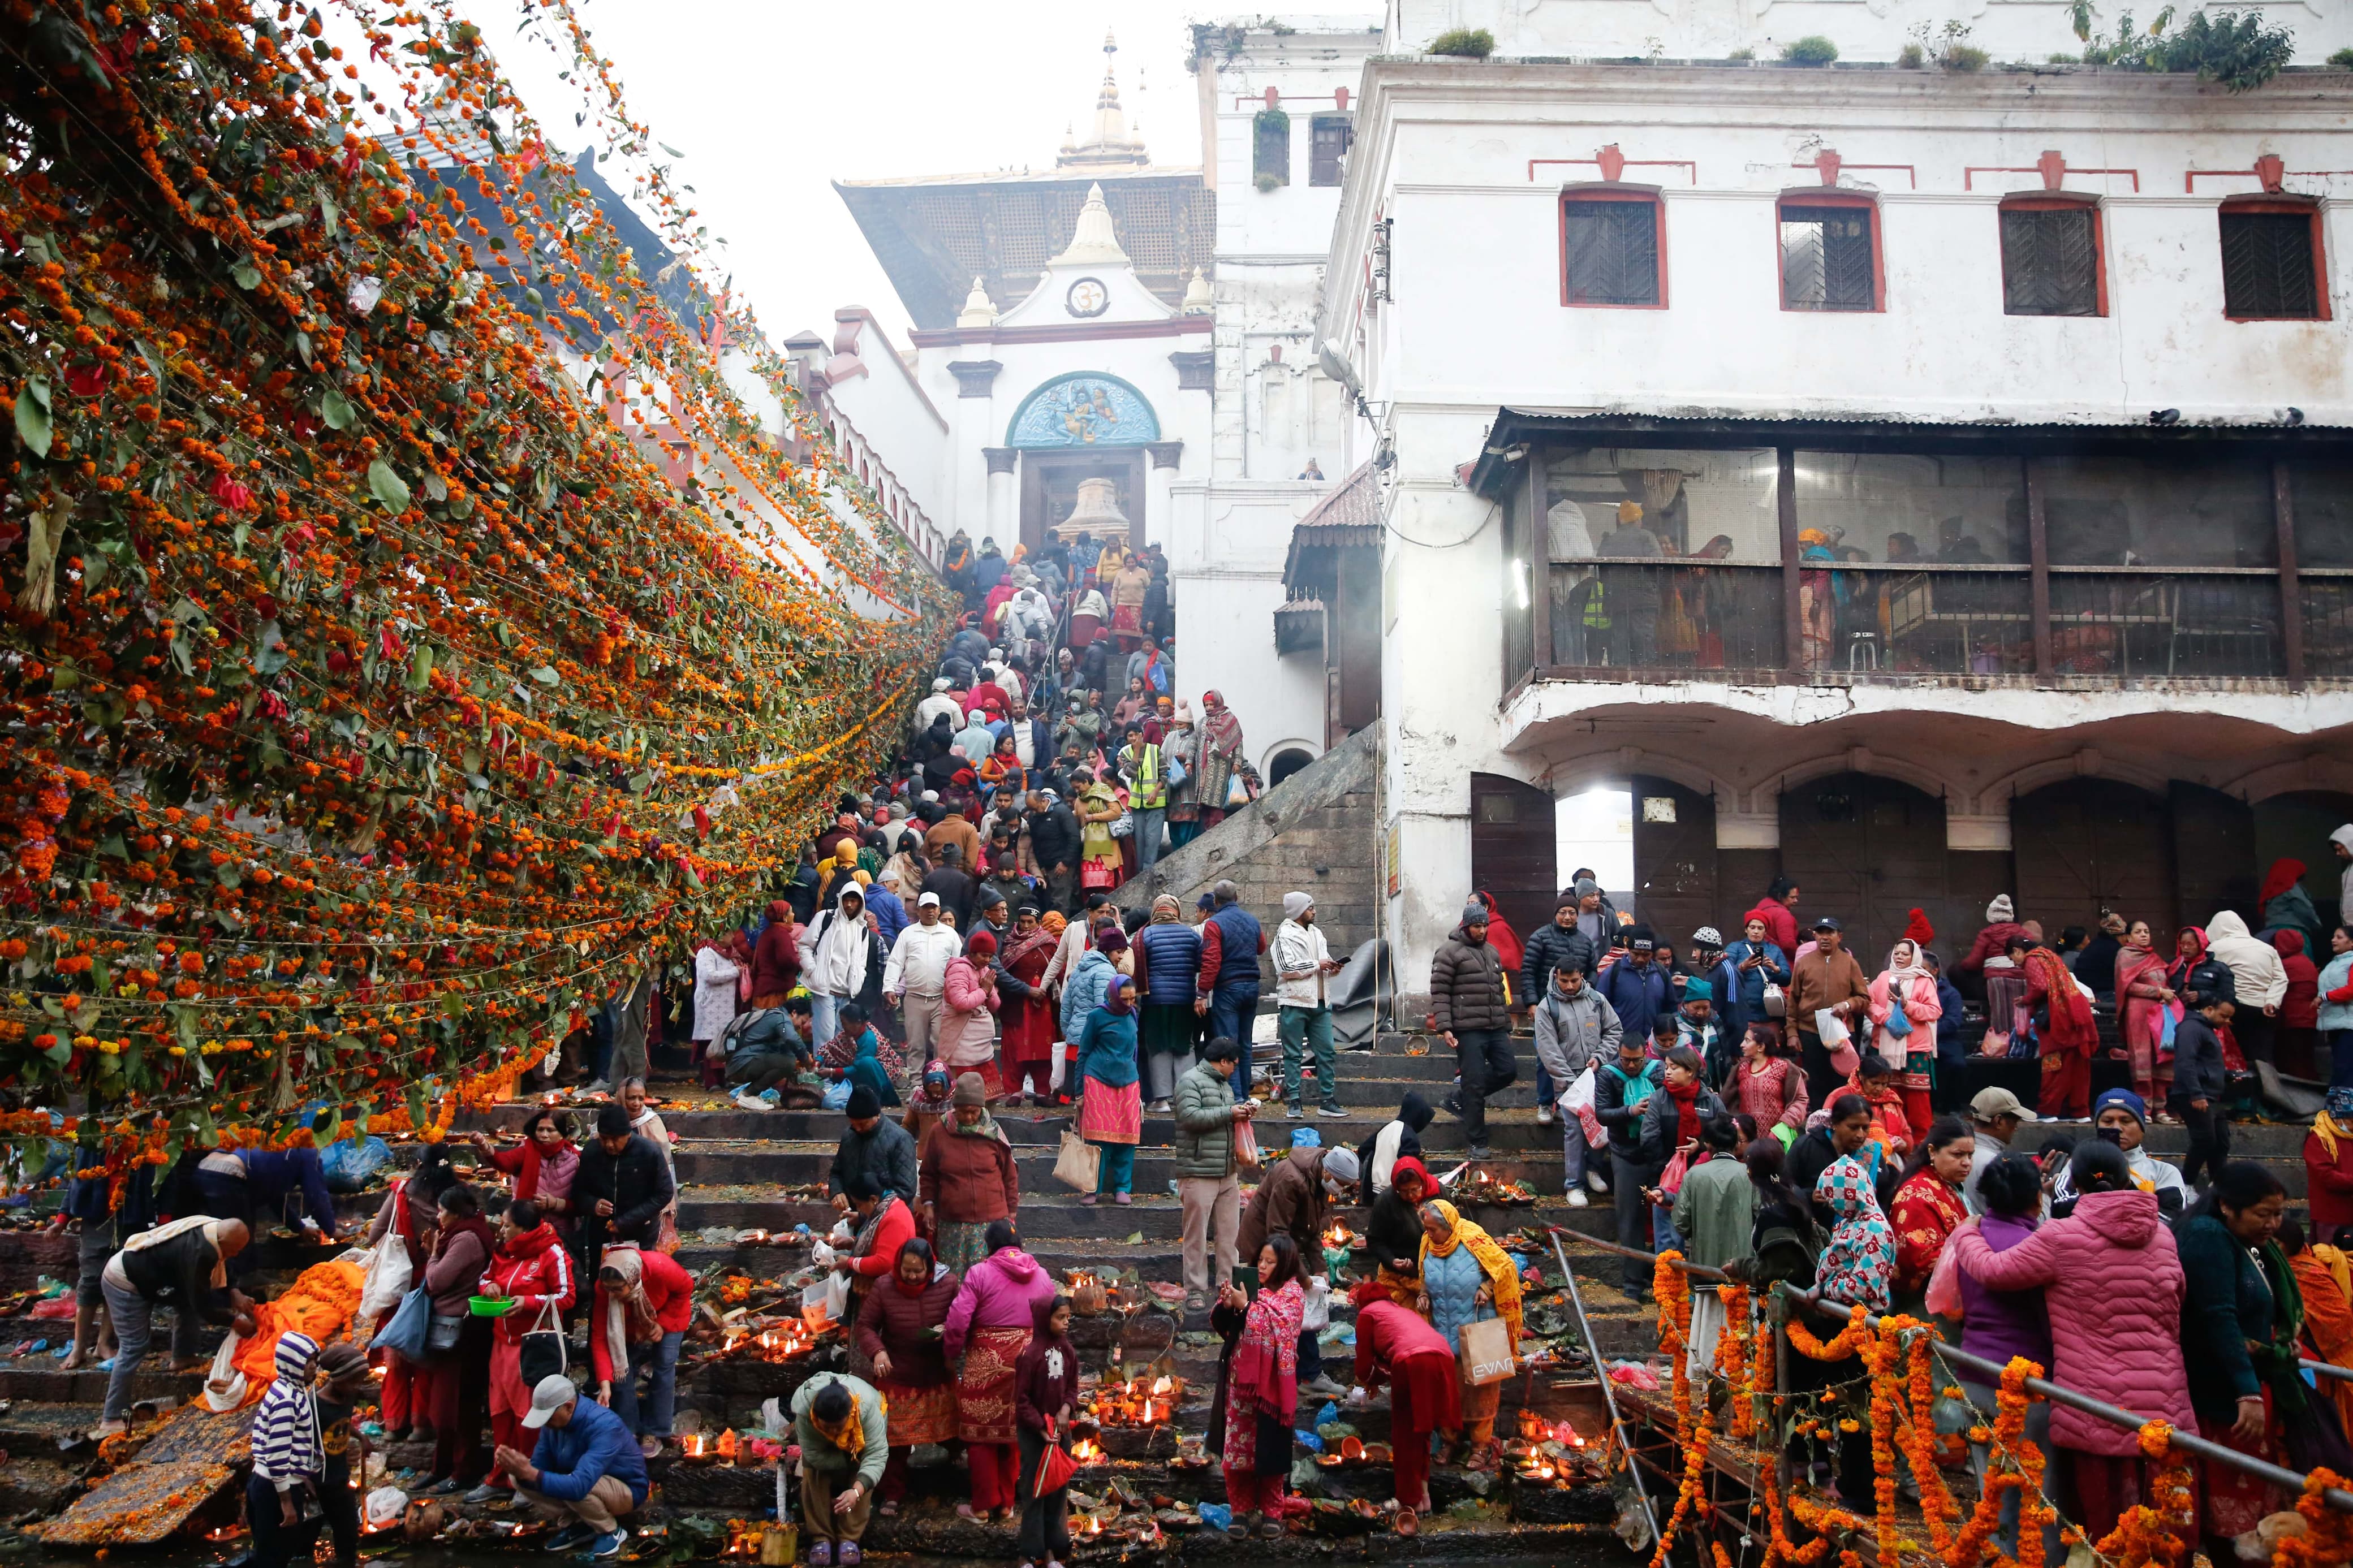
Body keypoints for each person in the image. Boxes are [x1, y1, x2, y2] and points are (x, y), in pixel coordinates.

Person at [1945, 1139, 2193, 1544]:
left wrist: (1967, 1232)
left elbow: (1993, 1270)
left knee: (2095, 1524)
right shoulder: (2165, 1237)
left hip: (2093, 1398)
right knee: (2158, 1523)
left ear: (2072, 1183)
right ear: (2129, 1178)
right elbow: (2176, 1301)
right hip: (2163, 1397)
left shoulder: (2061, 1236)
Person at [1949, 1151, 2063, 1566]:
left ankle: (1996, 1559)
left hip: (1975, 1372)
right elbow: (2049, 1322)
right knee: (2038, 1492)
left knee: (1992, 1488)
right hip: (2026, 1383)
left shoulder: (1972, 1237)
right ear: (2037, 1197)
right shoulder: (2032, 1246)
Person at [2176, 1161, 2295, 1548]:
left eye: (2279, 1214)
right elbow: (2219, 1317)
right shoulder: (2208, 1236)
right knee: (2236, 1526)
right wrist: (2248, 1391)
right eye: (2264, 1214)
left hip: (2243, 1388)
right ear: (2227, 1205)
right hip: (2223, 1398)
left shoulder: (2239, 1239)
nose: (2273, 1224)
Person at [96, 1216, 255, 1436]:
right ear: (221, 1239)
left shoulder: (212, 1229)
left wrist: (234, 1291)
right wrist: (235, 1321)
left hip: (157, 1276)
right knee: (134, 1346)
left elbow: (223, 1265)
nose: (234, 1254)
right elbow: (203, 1306)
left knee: (185, 1301)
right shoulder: (201, 1251)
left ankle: (183, 1355)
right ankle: (111, 1417)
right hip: (125, 1280)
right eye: (233, 1249)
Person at [944, 1221, 1058, 1524]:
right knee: (1015, 1429)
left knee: (980, 1431)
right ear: (1020, 1245)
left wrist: (951, 1352)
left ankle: (982, 1506)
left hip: (988, 1360)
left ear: (989, 1247)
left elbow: (958, 1320)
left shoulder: (979, 1273)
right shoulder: (1043, 1276)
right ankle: (1007, 1504)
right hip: (1030, 1362)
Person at [471, 1199, 576, 1504]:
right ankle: (499, 1476)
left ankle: (529, 1480)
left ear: (524, 1229)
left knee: (526, 1417)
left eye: (507, 1225)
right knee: (500, 1413)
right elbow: (485, 1278)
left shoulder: (551, 1252)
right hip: (500, 1344)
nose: (501, 1230)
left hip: (531, 1346)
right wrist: (487, 1288)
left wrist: (529, 1303)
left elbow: (567, 1296)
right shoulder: (503, 1252)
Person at [854, 1238, 959, 1516]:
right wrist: (878, 1352)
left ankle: (958, 1476)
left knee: (955, 1431)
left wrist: (949, 1330)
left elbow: (964, 1316)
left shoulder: (949, 1284)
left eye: (918, 1271)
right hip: (898, 1374)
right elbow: (865, 1325)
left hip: (938, 1372)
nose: (911, 1276)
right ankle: (892, 1493)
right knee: (894, 1440)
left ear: (931, 1268)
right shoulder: (884, 1286)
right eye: (906, 1270)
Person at [1415, 1199, 1523, 1467]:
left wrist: (1487, 1288)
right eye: (1426, 1229)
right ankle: (1450, 1442)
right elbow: (1424, 1279)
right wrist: (1423, 1296)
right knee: (1448, 1391)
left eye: (1433, 1230)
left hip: (1478, 1329)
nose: (1429, 1235)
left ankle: (1480, 1446)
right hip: (1442, 1330)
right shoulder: (1427, 1244)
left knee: (1481, 1391)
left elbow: (1506, 1267)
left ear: (1448, 1226)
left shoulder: (1473, 1239)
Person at [1212, 1237, 1307, 1539]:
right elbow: (1226, 1326)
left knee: (1271, 1447)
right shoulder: (1250, 1288)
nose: (1262, 1267)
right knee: (1237, 1449)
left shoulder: (1293, 1295)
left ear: (1286, 1264)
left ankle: (1272, 1512)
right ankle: (1239, 1510)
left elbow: (1281, 1327)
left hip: (1273, 1387)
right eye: (1260, 1260)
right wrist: (1229, 1305)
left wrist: (1248, 1307)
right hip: (1240, 1383)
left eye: (1270, 1262)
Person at [407, 1183, 495, 1493]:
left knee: (459, 1405)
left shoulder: (467, 1239)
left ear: (457, 1213)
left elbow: (437, 1281)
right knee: (445, 1405)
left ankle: (463, 1469)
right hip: (450, 1329)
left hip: (462, 1332)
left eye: (443, 1211)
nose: (439, 1216)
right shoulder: (458, 1235)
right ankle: (442, 1466)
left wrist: (431, 1255)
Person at [1350, 1289, 1459, 1531]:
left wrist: (1370, 1381)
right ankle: (1423, 1497)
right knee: (1423, 1429)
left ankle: (1407, 1500)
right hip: (1443, 1357)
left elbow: (1364, 1364)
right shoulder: (1400, 1310)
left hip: (1413, 1361)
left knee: (1405, 1433)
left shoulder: (1367, 1314)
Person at [1430, 900, 1515, 1161]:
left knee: (1508, 1070)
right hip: (1468, 1030)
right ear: (1466, 926)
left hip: (1495, 1027)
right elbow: (1440, 992)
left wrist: (1506, 1023)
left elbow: (1499, 991)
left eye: (1484, 926)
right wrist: (1445, 1028)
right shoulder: (1448, 952)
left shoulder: (1492, 952)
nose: (1481, 931)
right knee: (1475, 1083)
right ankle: (1477, 1142)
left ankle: (1459, 1098)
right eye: (1477, 926)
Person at [1531, 960, 1620, 1207]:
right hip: (1568, 1080)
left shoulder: (1597, 1000)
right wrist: (1568, 1080)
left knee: (1600, 1124)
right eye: (1564, 981)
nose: (1570, 986)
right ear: (1555, 977)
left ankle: (1593, 1169)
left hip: (1598, 1074)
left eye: (1574, 981)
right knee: (1574, 1131)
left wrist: (1600, 1057)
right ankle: (1574, 1184)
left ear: (1582, 976)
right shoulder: (1547, 1008)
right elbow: (1548, 1049)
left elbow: (1614, 1030)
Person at [589, 1241, 692, 1454]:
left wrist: (662, 1324)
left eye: (618, 1289)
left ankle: (655, 1430)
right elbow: (600, 1337)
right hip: (625, 1326)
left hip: (668, 1314)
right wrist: (605, 1383)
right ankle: (628, 1429)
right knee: (622, 1373)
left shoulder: (660, 1267)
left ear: (634, 1278)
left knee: (664, 1364)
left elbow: (685, 1288)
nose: (613, 1295)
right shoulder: (604, 1289)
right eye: (609, 1290)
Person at [1672, 1115, 1756, 1374]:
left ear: (1707, 1145)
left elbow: (1681, 1223)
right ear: (1736, 1143)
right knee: (1743, 1338)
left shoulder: (1695, 1175)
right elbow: (1761, 1216)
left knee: (1709, 1334)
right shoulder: (1750, 1175)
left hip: (1706, 1269)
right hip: (1744, 1272)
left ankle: (1710, 1388)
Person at [1174, 1036, 1249, 1310]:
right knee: (1196, 1235)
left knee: (1230, 1236)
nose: (1235, 1070)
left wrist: (1240, 1113)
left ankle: (1227, 1286)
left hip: (1227, 1171)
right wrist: (1230, 1112)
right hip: (1198, 1170)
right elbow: (1190, 1117)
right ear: (1223, 1062)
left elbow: (1223, 1118)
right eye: (1234, 1065)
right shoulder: (1189, 1081)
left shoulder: (1225, 1085)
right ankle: (1195, 1288)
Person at [244, 1332, 327, 1568]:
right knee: (273, 1557)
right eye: (307, 1362)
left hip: (271, 1482)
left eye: (315, 1360)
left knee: (270, 1552)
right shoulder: (287, 1400)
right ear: (292, 1364)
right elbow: (277, 1453)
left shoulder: (287, 1388)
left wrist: (303, 1478)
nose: (314, 1367)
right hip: (274, 1486)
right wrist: (286, 1501)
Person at [920, 1073, 1017, 1275]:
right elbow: (928, 1174)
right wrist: (928, 1205)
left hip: (990, 1224)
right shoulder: (939, 1133)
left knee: (988, 1279)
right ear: (955, 1109)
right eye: (963, 1112)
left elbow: (1009, 1175)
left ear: (982, 1109)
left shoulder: (993, 1133)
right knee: (954, 1279)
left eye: (973, 1112)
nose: (969, 1117)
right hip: (953, 1223)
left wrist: (1012, 1212)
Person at [1594, 1026, 1667, 1295]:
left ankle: (1660, 1276)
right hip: (1625, 1153)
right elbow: (1602, 1113)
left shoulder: (1658, 1071)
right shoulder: (1608, 1074)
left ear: (1645, 1054)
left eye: (1637, 1060)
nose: (1632, 1065)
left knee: (1665, 1217)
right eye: (1626, 1060)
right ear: (1619, 1055)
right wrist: (1630, 1111)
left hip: (1657, 1154)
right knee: (1629, 1218)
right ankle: (1633, 1282)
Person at [790, 1375, 887, 1566]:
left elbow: (876, 1455)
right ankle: (821, 1537)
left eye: (838, 1427)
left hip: (859, 1440)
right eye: (828, 1428)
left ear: (850, 1413)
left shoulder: (867, 1409)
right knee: (812, 1470)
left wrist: (856, 1490)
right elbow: (813, 1453)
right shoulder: (804, 1413)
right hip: (825, 1453)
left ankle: (849, 1538)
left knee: (863, 1472)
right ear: (816, 1417)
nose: (834, 1432)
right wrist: (845, 1461)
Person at [573, 1104, 674, 1286]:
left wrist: (628, 1220)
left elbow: (664, 1192)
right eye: (604, 1139)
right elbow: (578, 1192)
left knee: (638, 1282)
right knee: (602, 1282)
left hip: (640, 1231)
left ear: (628, 1134)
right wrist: (593, 1204)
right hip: (601, 1232)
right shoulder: (592, 1152)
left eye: (615, 1139)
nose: (609, 1145)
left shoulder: (648, 1152)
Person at [1014, 1293, 1081, 1565]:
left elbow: (1073, 1388)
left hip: (1061, 1432)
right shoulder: (1030, 1356)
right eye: (1060, 1318)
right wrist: (1041, 1427)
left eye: (1068, 1318)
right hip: (1035, 1435)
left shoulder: (1068, 1351)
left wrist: (1066, 1409)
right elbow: (1021, 1401)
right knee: (1034, 1492)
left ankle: (1054, 1550)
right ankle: (1030, 1552)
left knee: (1057, 1491)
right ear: (1045, 1319)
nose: (1066, 1323)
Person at [2049, 1088, 2188, 1219]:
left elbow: (2173, 1220)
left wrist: (2127, 1188)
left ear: (2142, 1127)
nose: (2117, 1128)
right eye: (2108, 1121)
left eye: (2126, 1121)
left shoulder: (2164, 1171)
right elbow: (2060, 1210)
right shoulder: (2078, 1163)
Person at [1889, 1116, 1973, 1306]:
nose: (1967, 1162)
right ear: (1933, 1152)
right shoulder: (1917, 1194)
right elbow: (1919, 1259)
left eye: (1970, 1155)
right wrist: (1974, 1248)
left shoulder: (1947, 1184)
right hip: (1924, 1303)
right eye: (1958, 1155)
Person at [1273, 891, 1344, 1119]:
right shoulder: (1283, 935)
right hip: (1294, 1002)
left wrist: (1332, 968)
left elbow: (1321, 964)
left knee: (1327, 1053)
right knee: (1293, 1055)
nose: (1314, 911)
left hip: (1321, 1002)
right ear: (1297, 911)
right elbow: (1285, 968)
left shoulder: (1317, 933)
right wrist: (1317, 965)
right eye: (1310, 907)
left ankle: (1328, 1100)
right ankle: (1294, 1101)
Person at [1238, 1142, 1358, 1275]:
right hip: (1261, 1239)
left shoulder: (1320, 1180)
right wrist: (1302, 1276)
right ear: (1327, 1171)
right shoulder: (1291, 1179)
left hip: (1284, 1240)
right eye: (1340, 1183)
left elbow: (1312, 1228)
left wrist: (1320, 1269)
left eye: (1345, 1187)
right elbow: (1278, 1231)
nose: (1340, 1189)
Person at [1790, 915, 1871, 1109]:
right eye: (1821, 933)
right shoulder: (1804, 963)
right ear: (1815, 936)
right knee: (1815, 1084)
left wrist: (1848, 1005)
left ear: (1839, 937)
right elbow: (1793, 1000)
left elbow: (1865, 999)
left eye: (1830, 933)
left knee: (1843, 1084)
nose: (1825, 937)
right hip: (1810, 1032)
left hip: (1842, 1034)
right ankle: (1818, 1126)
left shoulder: (1850, 964)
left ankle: (1842, 1125)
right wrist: (1792, 1033)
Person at [1076, 975, 1143, 1206]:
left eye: (1133, 999)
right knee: (1097, 1139)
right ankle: (1092, 1189)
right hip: (1098, 1081)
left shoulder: (1133, 1014)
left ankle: (1123, 1188)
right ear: (1113, 996)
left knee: (1127, 1138)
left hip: (1128, 1082)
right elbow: (1083, 1052)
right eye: (1124, 1000)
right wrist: (1079, 1093)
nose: (1129, 1004)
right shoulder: (1097, 1016)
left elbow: (1134, 1051)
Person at [1868, 929, 1943, 1135]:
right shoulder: (1883, 978)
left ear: (1915, 957)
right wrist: (1886, 1019)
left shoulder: (1924, 980)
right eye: (1897, 953)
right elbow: (1869, 1004)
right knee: (1888, 1095)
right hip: (1884, 1047)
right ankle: (1888, 1137)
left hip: (1916, 1049)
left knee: (1918, 1100)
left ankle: (1919, 1141)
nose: (1899, 957)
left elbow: (1934, 1011)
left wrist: (1906, 1005)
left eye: (1905, 954)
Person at [1135, 895, 1204, 1110]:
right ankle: (1187, 1098)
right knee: (1185, 1046)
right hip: (1185, 999)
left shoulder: (1146, 935)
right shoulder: (1191, 936)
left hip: (1155, 1000)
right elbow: (1201, 964)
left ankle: (1161, 1099)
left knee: (1158, 1045)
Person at [1197, 881, 1267, 1093]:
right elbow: (1261, 948)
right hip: (1252, 987)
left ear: (1216, 901)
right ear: (1237, 897)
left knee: (1228, 1045)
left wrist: (1202, 992)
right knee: (1246, 1045)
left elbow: (1212, 960)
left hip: (1228, 989)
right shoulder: (1252, 920)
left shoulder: (1214, 924)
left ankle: (1235, 1098)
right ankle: (1244, 1094)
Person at [471, 1108, 579, 1242]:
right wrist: (484, 1146)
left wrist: (555, 1203)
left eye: (551, 1130)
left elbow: (580, 1202)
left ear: (561, 1134)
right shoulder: (525, 1152)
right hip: (527, 1230)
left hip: (562, 1232)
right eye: (540, 1130)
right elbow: (503, 1162)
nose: (544, 1135)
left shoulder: (574, 1160)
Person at [309, 1341, 369, 1568]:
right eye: (353, 1381)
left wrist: (360, 1436)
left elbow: (342, 1422)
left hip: (339, 1477)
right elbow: (302, 1442)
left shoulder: (348, 1396)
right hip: (317, 1481)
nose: (358, 1386)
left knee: (348, 1532)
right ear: (338, 1378)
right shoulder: (314, 1405)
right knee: (307, 1537)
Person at [2209, 909, 2287, 1079]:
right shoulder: (2267, 948)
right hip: (2264, 1008)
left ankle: (2242, 1099)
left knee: (2237, 1056)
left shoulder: (2216, 948)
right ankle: (2269, 1098)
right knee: (2263, 1058)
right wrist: (2272, 1002)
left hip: (2234, 1009)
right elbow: (2281, 978)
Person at [883, 891, 963, 1058]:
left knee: (941, 1044)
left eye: (933, 908)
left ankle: (939, 1080)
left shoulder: (950, 935)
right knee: (916, 1045)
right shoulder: (908, 934)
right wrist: (889, 987)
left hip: (941, 998)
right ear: (918, 910)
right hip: (914, 998)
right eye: (926, 908)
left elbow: (958, 965)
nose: (930, 912)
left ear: (939, 910)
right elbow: (896, 962)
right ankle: (916, 1081)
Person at [803, 885, 884, 1050]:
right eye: (846, 900)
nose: (849, 905)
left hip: (846, 992)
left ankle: (835, 1072)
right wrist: (812, 970)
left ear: (860, 903)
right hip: (824, 988)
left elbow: (862, 962)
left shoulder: (862, 929)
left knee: (841, 1036)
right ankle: (823, 1073)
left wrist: (857, 982)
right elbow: (805, 946)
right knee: (824, 1035)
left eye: (853, 901)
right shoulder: (825, 918)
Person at [995, 906, 1061, 1105]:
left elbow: (1058, 968)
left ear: (1038, 923)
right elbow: (1002, 972)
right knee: (1014, 1048)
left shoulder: (1049, 943)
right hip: (1016, 1004)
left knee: (1043, 1047)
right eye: (1022, 922)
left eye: (1030, 922)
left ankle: (1043, 1091)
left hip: (1043, 1006)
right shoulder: (1009, 943)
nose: (1025, 926)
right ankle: (1014, 1091)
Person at [2173, 990, 2234, 1191]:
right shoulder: (2192, 1028)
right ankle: (2187, 1185)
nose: (2226, 1021)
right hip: (2196, 1094)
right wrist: (2196, 1093)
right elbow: (2185, 1062)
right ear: (2209, 1009)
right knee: (2204, 1140)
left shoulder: (2207, 1030)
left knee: (2221, 1142)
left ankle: (2218, 1185)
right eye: (2223, 1016)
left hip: (2212, 1094)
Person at [2114, 918, 2175, 1111]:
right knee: (2143, 1059)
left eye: (2146, 932)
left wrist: (2167, 995)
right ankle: (2145, 1107)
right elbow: (2127, 985)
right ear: (2129, 937)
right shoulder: (2125, 955)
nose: (2143, 935)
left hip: (2159, 1014)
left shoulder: (2155, 958)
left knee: (2162, 1057)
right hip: (2138, 1014)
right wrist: (2158, 992)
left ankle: (2161, 1107)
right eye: (2138, 932)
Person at [829, 1087, 920, 1211]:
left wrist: (866, 1214)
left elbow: (906, 1190)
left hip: (889, 1217)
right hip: (854, 1212)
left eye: (862, 1124)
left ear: (877, 1115)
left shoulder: (900, 1139)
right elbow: (837, 1173)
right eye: (853, 1124)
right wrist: (837, 1191)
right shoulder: (849, 1136)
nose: (858, 1129)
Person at [938, 926, 1002, 1102]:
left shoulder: (984, 970)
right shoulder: (958, 969)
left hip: (982, 1047)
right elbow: (961, 1004)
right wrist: (984, 990)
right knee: (963, 1097)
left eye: (990, 956)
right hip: (962, 1042)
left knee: (989, 1097)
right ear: (972, 953)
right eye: (983, 955)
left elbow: (996, 1005)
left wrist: (988, 992)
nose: (987, 960)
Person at [1729, 1023, 1807, 1151]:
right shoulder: (1740, 1069)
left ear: (1761, 1047)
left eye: (1747, 1041)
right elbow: (1730, 1100)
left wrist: (1786, 1123)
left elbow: (1801, 1099)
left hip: (1777, 1139)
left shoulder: (1784, 1068)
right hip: (1747, 1140)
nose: (1742, 1045)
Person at [1721, 915, 1792, 1051]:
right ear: (1746, 930)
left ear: (1766, 932)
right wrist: (1743, 967)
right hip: (1745, 1015)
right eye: (1752, 928)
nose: (1756, 932)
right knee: (1746, 1054)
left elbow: (1787, 978)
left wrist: (1775, 969)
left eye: (1760, 928)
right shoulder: (1735, 947)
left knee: (1770, 1054)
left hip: (1770, 1015)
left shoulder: (1775, 950)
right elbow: (1725, 972)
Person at [1366, 1157, 1431, 1302]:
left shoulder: (1437, 1193)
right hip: (1400, 1276)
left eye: (1415, 1189)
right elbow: (1374, 1241)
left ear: (1423, 1183)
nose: (1410, 1195)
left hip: (1436, 1274)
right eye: (1404, 1191)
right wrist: (1393, 1260)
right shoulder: (1386, 1201)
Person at [1962, 1086, 2035, 1213]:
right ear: (1999, 1121)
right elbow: (2018, 1219)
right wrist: (2042, 1192)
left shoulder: (1957, 1155)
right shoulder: (1998, 1164)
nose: (2016, 1128)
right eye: (2015, 1122)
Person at [1358, 1092, 1435, 1205]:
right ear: (1418, 1117)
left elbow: (1363, 1150)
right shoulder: (1409, 1136)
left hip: (1372, 1189)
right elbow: (1407, 1168)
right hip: (1394, 1191)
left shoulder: (1387, 1128)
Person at [2275, 927, 2322, 1080]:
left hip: (2292, 1018)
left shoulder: (2286, 965)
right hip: (2310, 1017)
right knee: (2306, 1059)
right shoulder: (2306, 962)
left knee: (2293, 1061)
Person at [2309, 1087, 2353, 1237]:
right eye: (2352, 1120)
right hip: (2332, 1215)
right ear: (2337, 1117)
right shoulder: (2319, 1139)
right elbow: (2326, 1177)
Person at [748, 899, 801, 1007]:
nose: (794, 914)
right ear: (784, 917)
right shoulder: (781, 934)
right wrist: (799, 964)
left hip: (764, 990)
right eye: (791, 912)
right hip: (773, 993)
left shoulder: (769, 932)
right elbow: (787, 960)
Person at [2320, 923, 2353, 1091]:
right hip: (2335, 1023)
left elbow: (2351, 990)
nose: (2334, 940)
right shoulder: (2334, 963)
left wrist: (2324, 997)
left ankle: (2342, 1111)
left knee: (2345, 1069)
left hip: (2350, 1025)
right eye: (2334, 937)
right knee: (2341, 1067)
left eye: (2339, 937)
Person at [1743, 875, 1802, 959]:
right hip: (1781, 961)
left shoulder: (1763, 904)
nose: (1796, 901)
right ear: (1780, 896)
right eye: (1792, 897)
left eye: (1796, 897)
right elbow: (1788, 945)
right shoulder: (1783, 915)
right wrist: (1803, 955)